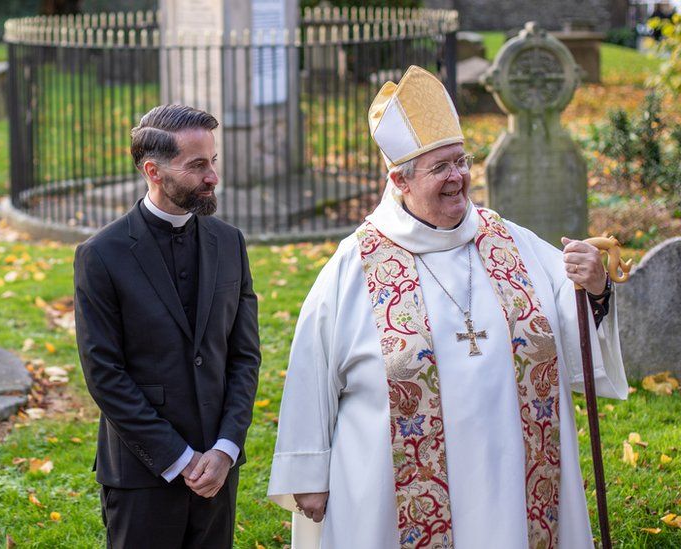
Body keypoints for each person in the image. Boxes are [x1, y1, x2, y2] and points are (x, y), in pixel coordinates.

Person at [267, 66, 628, 549]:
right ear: (400, 179)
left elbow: (572, 315)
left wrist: (596, 284)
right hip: (392, 492)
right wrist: (308, 470)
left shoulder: (507, 240)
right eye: (441, 168)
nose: (459, 177)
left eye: (462, 161)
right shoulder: (357, 263)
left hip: (516, 476)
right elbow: (312, 368)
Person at [74, 104, 260, 549]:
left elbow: (244, 355)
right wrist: (176, 457)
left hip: (219, 468)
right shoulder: (101, 254)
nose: (212, 176)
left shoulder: (229, 242)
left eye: (213, 161)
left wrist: (226, 449)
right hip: (142, 472)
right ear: (153, 171)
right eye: (197, 166)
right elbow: (104, 373)